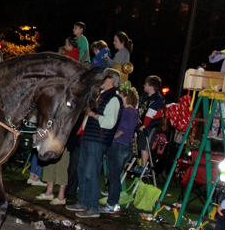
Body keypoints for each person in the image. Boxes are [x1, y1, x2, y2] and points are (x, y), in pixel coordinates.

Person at [67, 68, 122, 218]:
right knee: (83, 170)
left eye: (104, 78)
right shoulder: (102, 96)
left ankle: (92, 207)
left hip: (97, 140)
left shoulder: (114, 98)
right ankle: (83, 202)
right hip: (88, 138)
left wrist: (93, 115)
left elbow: (110, 122)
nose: (101, 80)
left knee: (91, 172)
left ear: (111, 79)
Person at [102, 85, 139, 214]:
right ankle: (113, 202)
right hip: (127, 145)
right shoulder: (134, 112)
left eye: (121, 95)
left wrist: (109, 137)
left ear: (126, 97)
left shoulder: (126, 111)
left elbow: (120, 131)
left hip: (118, 145)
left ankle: (112, 203)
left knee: (113, 176)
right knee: (116, 175)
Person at [137, 75, 165, 168]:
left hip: (151, 124)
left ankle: (143, 166)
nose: (144, 86)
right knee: (140, 143)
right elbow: (139, 106)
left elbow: (150, 114)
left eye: (146, 84)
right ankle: (139, 163)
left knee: (145, 145)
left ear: (151, 87)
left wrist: (144, 125)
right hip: (143, 122)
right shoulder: (144, 95)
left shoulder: (157, 99)